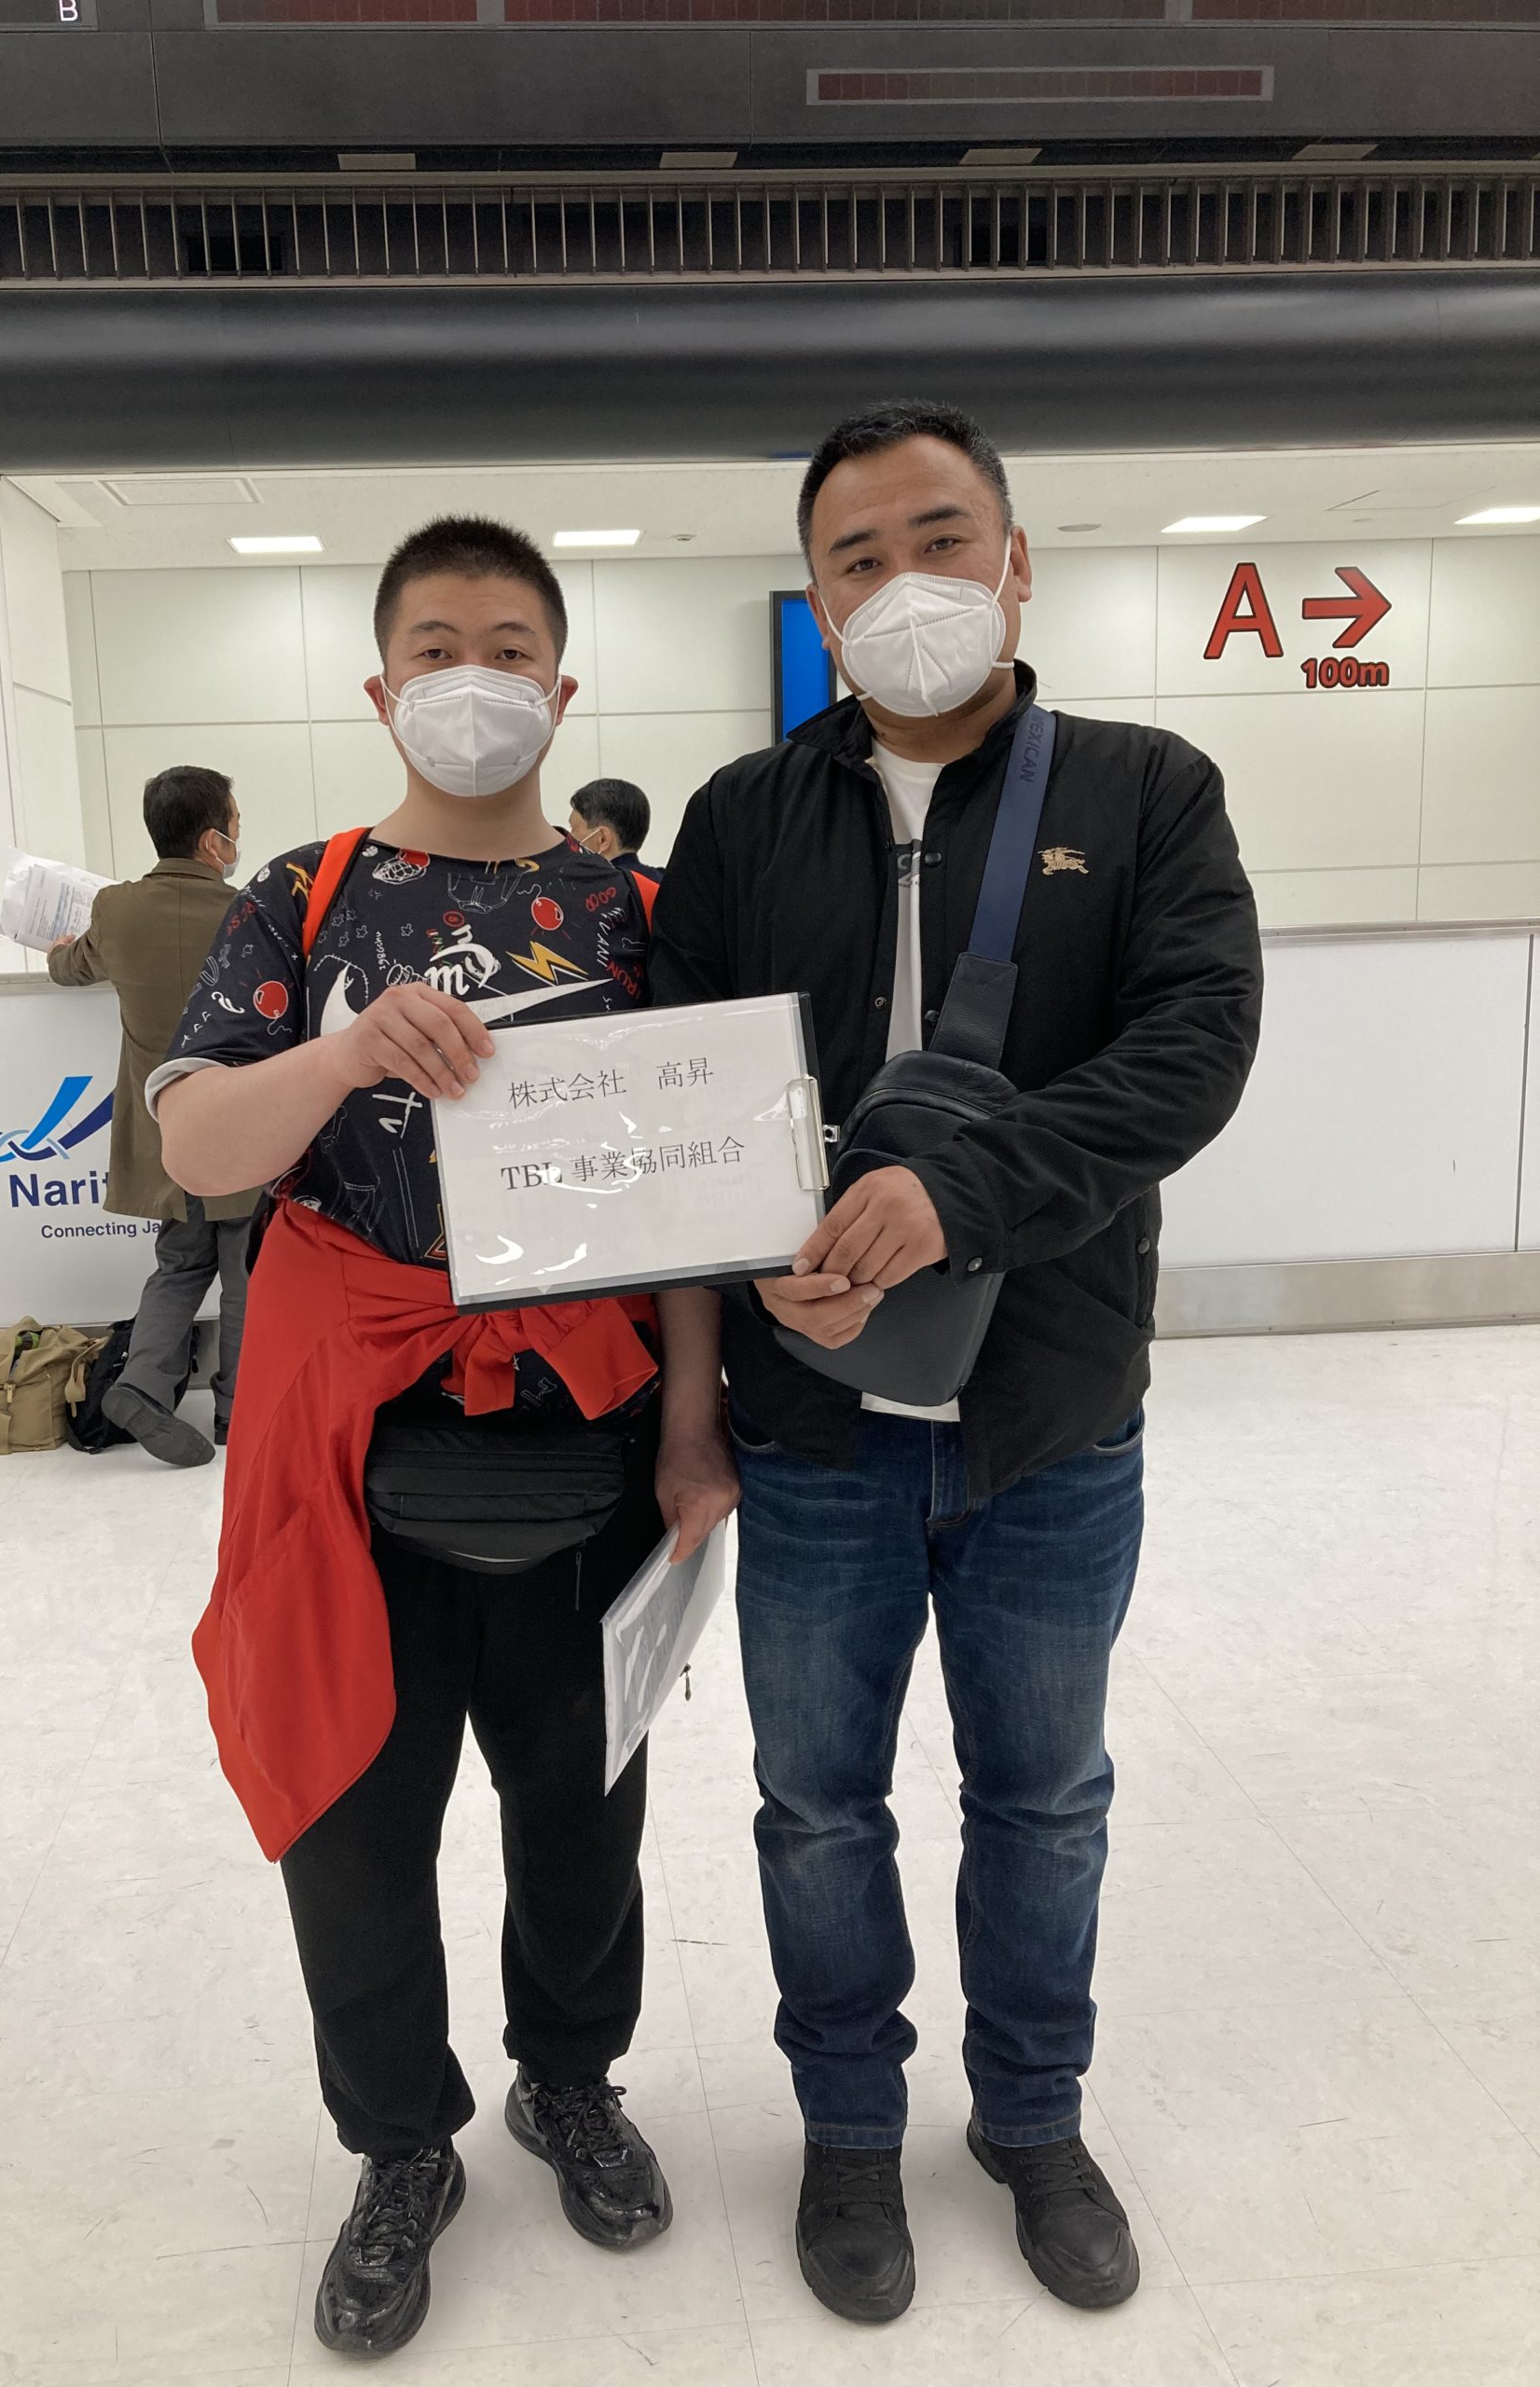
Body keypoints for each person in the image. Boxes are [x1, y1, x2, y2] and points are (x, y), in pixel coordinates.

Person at [650, 400, 1262, 2325]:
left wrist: (959, 1193)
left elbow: (1192, 1053)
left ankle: (1032, 2116)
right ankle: (849, 2124)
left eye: (941, 537)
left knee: (1046, 1796)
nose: (904, 581)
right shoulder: (744, 818)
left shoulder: (1147, 790)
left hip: (1052, 1416)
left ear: (1015, 562)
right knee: (817, 1803)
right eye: (857, 556)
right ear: (817, 598)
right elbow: (689, 1096)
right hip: (811, 1425)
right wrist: (758, 1283)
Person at [149, 516, 738, 2361]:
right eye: (433, 647)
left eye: (506, 648)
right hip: (351, 1454)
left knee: (583, 1806)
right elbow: (195, 1143)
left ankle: (571, 2080)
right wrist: (339, 1053)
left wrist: (695, 1430)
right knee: (354, 1815)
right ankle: (401, 2143)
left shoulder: (638, 916)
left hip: (592, 1431)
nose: (469, 678)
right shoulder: (304, 896)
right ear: (380, 683)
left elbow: (687, 1201)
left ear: (560, 690)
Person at [48, 765, 255, 1468]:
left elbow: (71, 968)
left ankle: (141, 1384)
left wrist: (58, 956)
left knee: (179, 1264)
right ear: (212, 840)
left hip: (166, 1130)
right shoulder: (248, 912)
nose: (239, 834)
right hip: (242, 1124)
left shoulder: (115, 909)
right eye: (234, 822)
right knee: (246, 1270)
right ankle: (239, 1410)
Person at [569, 777, 658, 878]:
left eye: (573, 828)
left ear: (602, 839)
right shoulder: (663, 881)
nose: (568, 837)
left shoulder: (592, 885)